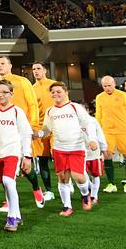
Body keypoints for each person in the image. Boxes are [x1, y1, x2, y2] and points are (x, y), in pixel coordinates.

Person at [0, 56, 44, 210]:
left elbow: (32, 103)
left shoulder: (22, 81)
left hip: (22, 129)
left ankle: (35, 188)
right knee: (4, 170)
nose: (0, 66)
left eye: (2, 64)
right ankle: (8, 200)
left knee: (25, 167)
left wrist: (34, 124)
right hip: (4, 132)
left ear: (10, 65)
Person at [39, 82, 97, 216]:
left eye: (58, 91)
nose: (55, 94)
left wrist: (92, 139)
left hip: (76, 147)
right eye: (53, 92)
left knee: (78, 177)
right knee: (62, 177)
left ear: (66, 92)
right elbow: (47, 129)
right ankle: (67, 206)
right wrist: (39, 134)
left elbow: (89, 123)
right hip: (59, 148)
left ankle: (85, 194)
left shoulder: (75, 107)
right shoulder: (50, 111)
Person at [0, 80, 33, 232]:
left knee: (8, 181)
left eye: (4, 92)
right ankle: (17, 215)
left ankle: (12, 218)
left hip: (13, 152)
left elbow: (26, 134)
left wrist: (27, 156)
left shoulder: (17, 111)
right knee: (5, 183)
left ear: (11, 94)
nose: (0, 95)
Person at [95, 76, 126, 193]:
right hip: (107, 131)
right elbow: (98, 116)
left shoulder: (123, 96)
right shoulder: (99, 97)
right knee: (107, 155)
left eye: (109, 85)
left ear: (114, 83)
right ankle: (111, 184)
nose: (107, 88)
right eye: (105, 86)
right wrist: (97, 132)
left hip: (123, 131)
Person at [31, 61, 56, 200]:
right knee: (42, 160)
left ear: (45, 70)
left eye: (38, 68)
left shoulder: (54, 85)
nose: (36, 71)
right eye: (34, 69)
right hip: (40, 128)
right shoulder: (31, 88)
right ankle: (49, 191)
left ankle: (66, 181)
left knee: (58, 158)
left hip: (55, 126)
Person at [82, 104, 108, 204]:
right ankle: (87, 191)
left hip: (94, 153)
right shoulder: (74, 122)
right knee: (81, 174)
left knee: (95, 175)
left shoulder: (92, 121)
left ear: (88, 110)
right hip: (80, 153)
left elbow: (100, 134)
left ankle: (94, 196)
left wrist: (103, 148)